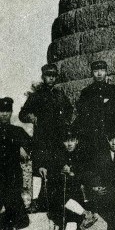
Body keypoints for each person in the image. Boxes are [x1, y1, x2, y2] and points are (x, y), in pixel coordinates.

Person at [18, 63, 73, 186]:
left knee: (59, 176)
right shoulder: (36, 95)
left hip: (58, 140)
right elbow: (22, 114)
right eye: (48, 75)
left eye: (54, 75)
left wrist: (65, 121)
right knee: (42, 177)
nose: (51, 78)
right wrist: (32, 117)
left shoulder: (60, 95)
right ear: (43, 77)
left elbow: (69, 109)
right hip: (42, 141)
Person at [45, 126, 89, 230]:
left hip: (76, 196)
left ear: (77, 141)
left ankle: (85, 213)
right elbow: (51, 178)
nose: (69, 144)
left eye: (72, 140)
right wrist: (60, 172)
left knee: (72, 224)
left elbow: (85, 176)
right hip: (61, 198)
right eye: (66, 141)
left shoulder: (82, 156)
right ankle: (85, 213)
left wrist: (72, 172)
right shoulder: (58, 157)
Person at [75, 60, 115, 154]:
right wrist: (102, 102)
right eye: (96, 71)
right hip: (93, 136)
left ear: (106, 72)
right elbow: (83, 112)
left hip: (110, 135)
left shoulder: (114, 90)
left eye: (102, 70)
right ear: (92, 73)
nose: (99, 74)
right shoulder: (86, 92)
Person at [0, 97, 32, 230]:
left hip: (12, 177)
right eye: (1, 111)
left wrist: (24, 149)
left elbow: (32, 147)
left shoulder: (17, 131)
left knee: (19, 219)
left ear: (11, 112)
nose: (4, 114)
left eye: (7, 111)